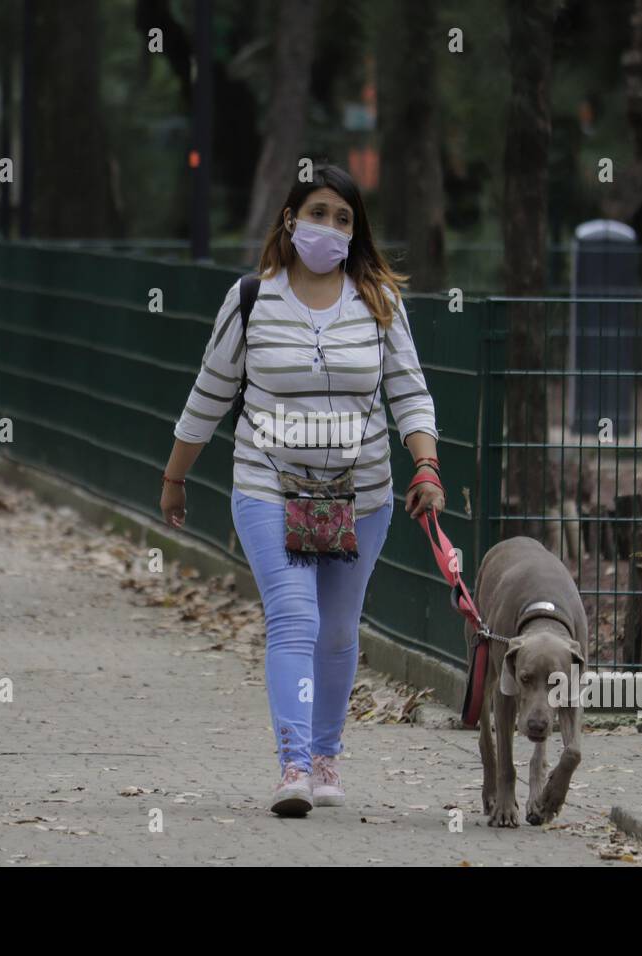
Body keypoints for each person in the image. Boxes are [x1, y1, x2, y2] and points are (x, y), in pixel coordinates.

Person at [160, 163, 444, 816]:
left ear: (356, 232)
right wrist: (176, 476)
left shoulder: (378, 301)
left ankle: (325, 755)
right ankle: (292, 765)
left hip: (360, 495)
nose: (329, 228)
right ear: (290, 219)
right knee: (296, 617)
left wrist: (425, 466)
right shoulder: (252, 299)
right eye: (317, 212)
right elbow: (210, 391)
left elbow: (410, 390)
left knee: (340, 631)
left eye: (343, 218)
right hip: (267, 485)